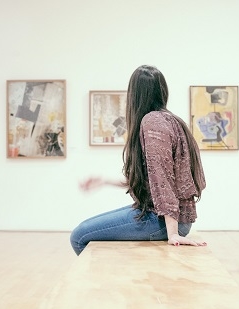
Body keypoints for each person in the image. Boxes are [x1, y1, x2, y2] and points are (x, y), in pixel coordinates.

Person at [70, 65, 207, 256]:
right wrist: (104, 181)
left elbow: (162, 178)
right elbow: (152, 179)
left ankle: (110, 283)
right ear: (162, 90)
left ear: (134, 95)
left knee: (79, 236)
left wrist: (173, 233)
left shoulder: (152, 122)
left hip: (162, 220)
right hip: (164, 216)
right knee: (85, 230)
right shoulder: (170, 120)